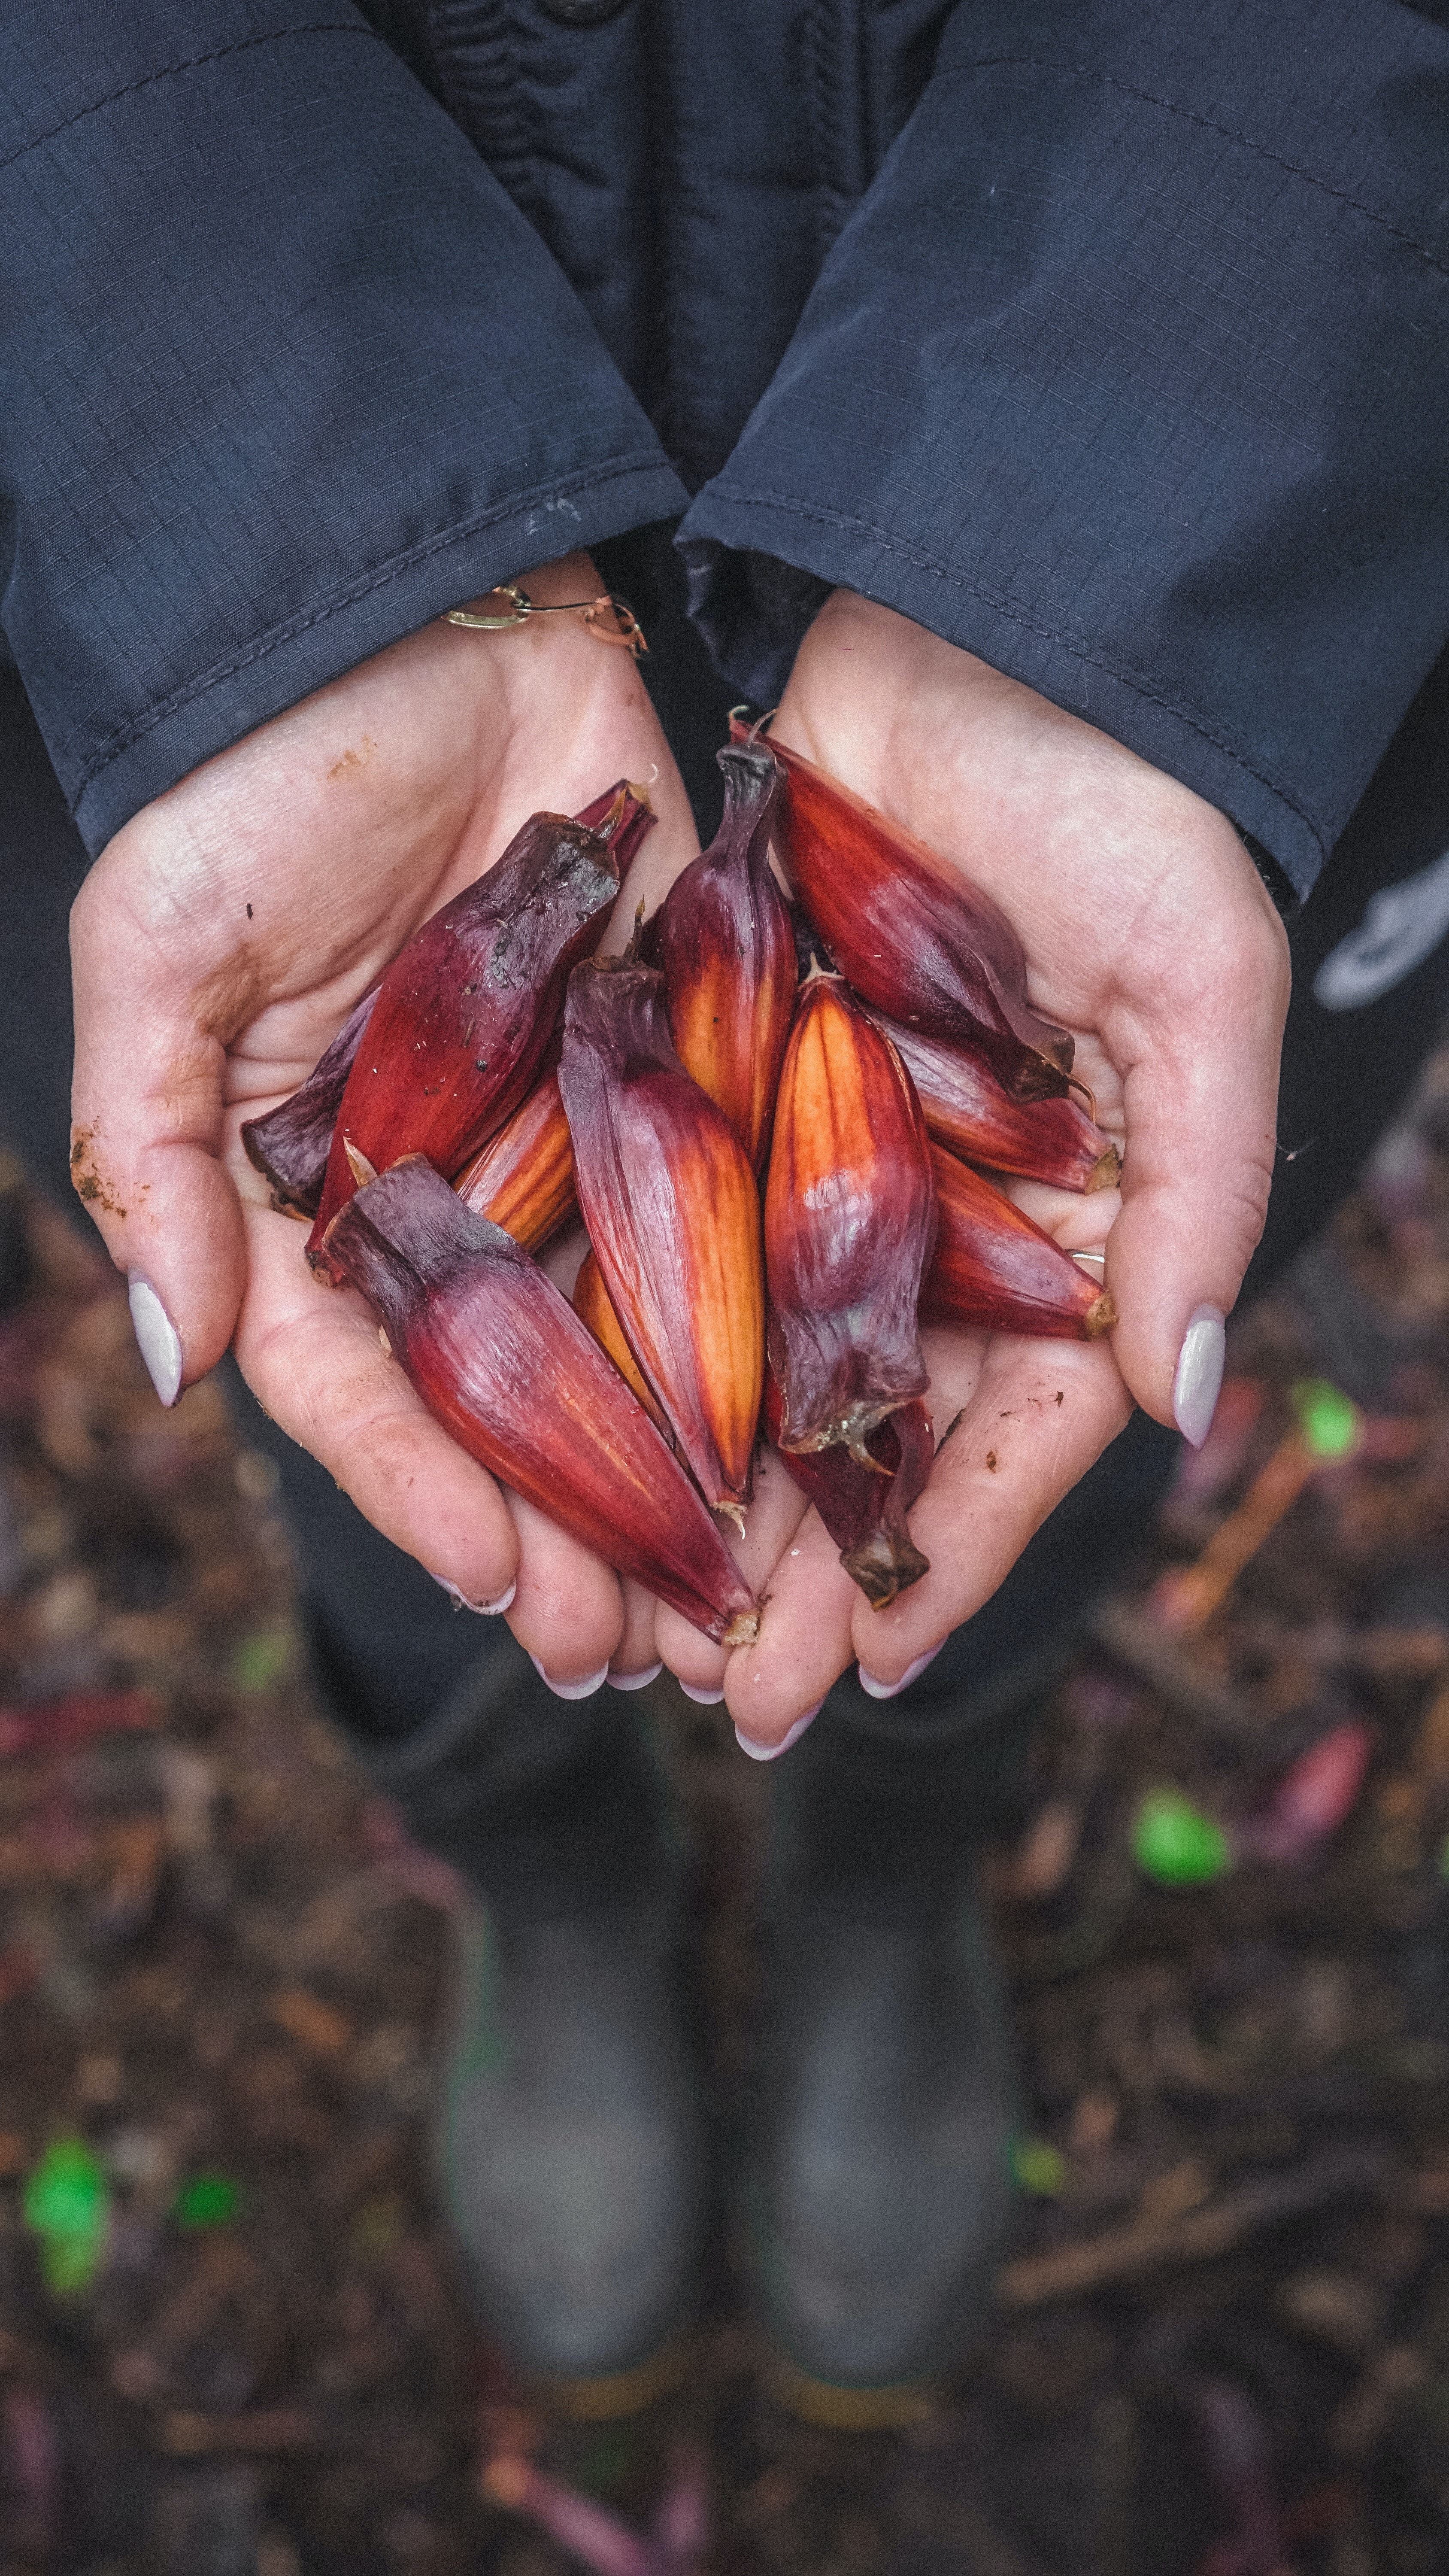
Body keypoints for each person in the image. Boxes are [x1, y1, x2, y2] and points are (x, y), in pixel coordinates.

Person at [3, 0, 1447, 2420]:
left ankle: (899, 1837)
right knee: (388, 1449)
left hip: (1208, 571)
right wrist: (262, 515)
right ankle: (554, 1863)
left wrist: (1119, 520)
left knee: (1072, 1382)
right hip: (200, 590)